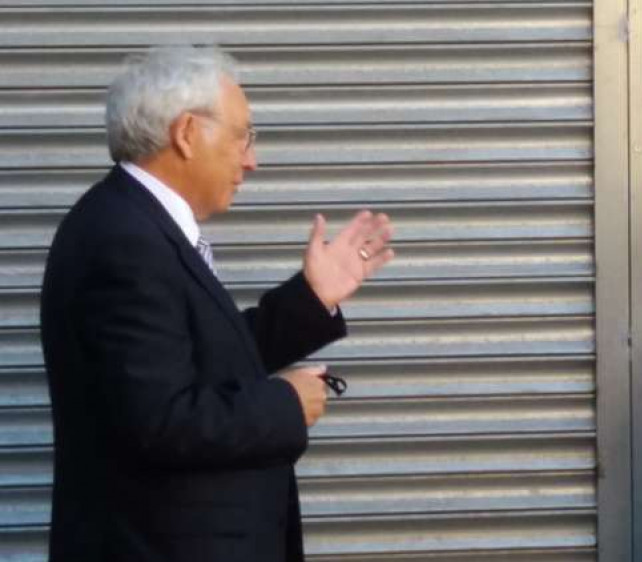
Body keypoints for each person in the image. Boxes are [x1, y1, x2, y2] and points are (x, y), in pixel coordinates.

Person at [40, 45, 393, 562]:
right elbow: (159, 420)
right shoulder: (126, 241)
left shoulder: (134, 225)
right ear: (186, 134)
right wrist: (285, 403)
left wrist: (311, 299)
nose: (252, 159)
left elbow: (197, 361)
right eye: (242, 136)